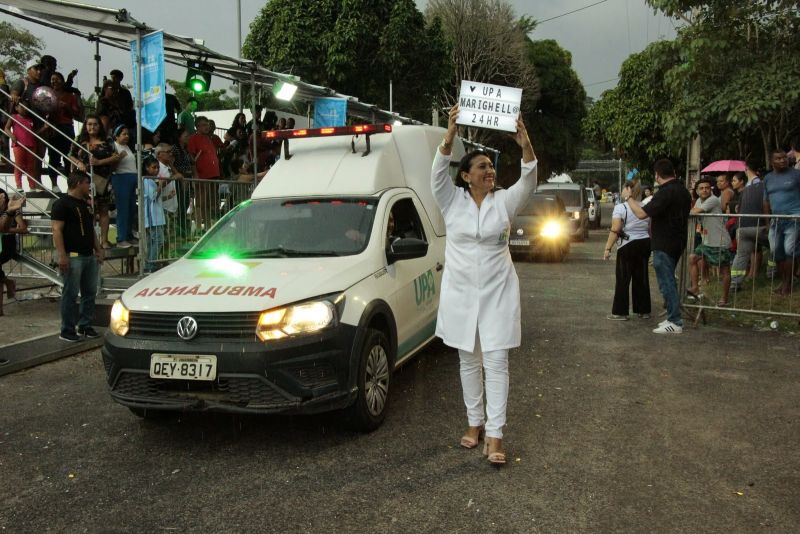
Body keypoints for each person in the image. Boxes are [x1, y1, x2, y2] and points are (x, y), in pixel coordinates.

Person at [431, 105, 537, 465]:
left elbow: (529, 180)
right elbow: (435, 177)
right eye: (482, 167)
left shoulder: (503, 203)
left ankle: (495, 435)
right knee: (467, 360)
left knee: (496, 361)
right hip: (461, 294)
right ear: (465, 176)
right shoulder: (451, 202)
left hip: (497, 292)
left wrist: (525, 144)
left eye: (491, 167)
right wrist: (449, 134)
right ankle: (474, 423)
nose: (490, 171)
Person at [626, 159, 692, 334]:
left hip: (664, 242)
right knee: (668, 280)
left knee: (666, 282)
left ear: (657, 175)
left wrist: (628, 198)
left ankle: (675, 321)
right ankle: (672, 317)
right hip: (678, 240)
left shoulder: (665, 192)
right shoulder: (683, 191)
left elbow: (641, 213)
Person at [51, 171, 103, 341]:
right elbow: (57, 230)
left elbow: (91, 230)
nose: (89, 186)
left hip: (88, 255)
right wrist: (62, 255)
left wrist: (98, 249)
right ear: (79, 183)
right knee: (71, 293)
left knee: (89, 292)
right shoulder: (61, 204)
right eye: (87, 183)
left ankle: (85, 325)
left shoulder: (86, 205)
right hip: (73, 255)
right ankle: (67, 329)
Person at [69, 114, 123, 249]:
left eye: (95, 124)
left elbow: (116, 157)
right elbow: (70, 155)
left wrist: (99, 162)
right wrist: (79, 162)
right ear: (85, 126)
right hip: (85, 181)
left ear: (100, 126)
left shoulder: (107, 140)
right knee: (88, 211)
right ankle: (91, 242)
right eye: (89, 124)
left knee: (104, 211)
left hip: (103, 180)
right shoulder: (79, 140)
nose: (92, 127)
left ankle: (104, 240)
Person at [604, 183, 651, 320]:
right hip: (644, 243)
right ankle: (643, 310)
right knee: (641, 278)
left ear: (626, 190)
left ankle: (620, 312)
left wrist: (608, 248)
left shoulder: (621, 207)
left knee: (623, 279)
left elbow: (616, 228)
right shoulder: (644, 206)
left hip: (627, 245)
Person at [687, 179, 733, 306]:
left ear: (711, 189)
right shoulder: (698, 201)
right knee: (692, 258)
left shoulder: (713, 200)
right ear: (697, 191)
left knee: (724, 271)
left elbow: (695, 212)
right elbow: (694, 211)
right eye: (701, 188)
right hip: (707, 241)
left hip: (720, 241)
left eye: (707, 188)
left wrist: (682, 212)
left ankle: (724, 298)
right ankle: (695, 287)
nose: (704, 190)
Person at [762, 150, 800, 296]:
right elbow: (765, 201)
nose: (783, 160)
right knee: (776, 251)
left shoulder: (796, 175)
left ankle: (787, 284)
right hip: (776, 220)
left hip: (794, 218)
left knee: (789, 250)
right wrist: (767, 221)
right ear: (772, 162)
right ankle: (784, 280)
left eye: (784, 157)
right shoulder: (768, 178)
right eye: (778, 158)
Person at [731, 171, 768, 290]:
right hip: (760, 225)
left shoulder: (746, 190)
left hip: (742, 227)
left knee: (741, 255)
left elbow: (739, 208)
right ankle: (773, 275)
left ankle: (734, 284)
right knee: (777, 246)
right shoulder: (767, 187)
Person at [46, 72, 80, 192]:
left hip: (66, 127)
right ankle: (54, 185)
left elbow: (76, 114)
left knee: (68, 157)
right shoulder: (48, 95)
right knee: (53, 157)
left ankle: (69, 185)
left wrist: (66, 107)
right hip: (53, 127)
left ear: (62, 80)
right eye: (52, 79)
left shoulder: (70, 96)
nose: (54, 82)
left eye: (57, 79)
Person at [187, 116, 221, 231]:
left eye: (207, 124)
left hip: (213, 175)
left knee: (209, 203)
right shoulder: (193, 139)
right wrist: (195, 174)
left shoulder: (208, 138)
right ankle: (197, 228)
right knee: (201, 203)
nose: (207, 127)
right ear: (197, 126)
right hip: (202, 176)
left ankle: (207, 227)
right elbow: (192, 158)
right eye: (204, 125)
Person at [4, 100, 47, 190]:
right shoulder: (13, 117)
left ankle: (32, 186)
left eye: (26, 107)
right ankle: (19, 185)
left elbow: (34, 133)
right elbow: (6, 128)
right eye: (22, 106)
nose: (24, 109)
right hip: (19, 145)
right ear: (16, 108)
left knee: (31, 167)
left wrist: (44, 128)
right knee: (19, 165)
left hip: (31, 145)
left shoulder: (30, 120)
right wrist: (12, 136)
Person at [0, 190, 28, 316]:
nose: (1, 200)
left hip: (7, 244)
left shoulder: (13, 211)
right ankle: (7, 282)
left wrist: (6, 230)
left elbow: (23, 228)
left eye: (2, 198)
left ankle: (7, 282)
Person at [110, 125, 137, 247]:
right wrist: (119, 158)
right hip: (121, 178)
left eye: (127, 134)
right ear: (116, 136)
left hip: (131, 178)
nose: (127, 136)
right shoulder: (114, 146)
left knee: (131, 208)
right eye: (123, 134)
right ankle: (121, 238)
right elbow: (112, 167)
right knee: (123, 208)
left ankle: (128, 235)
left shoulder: (127, 146)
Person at [142, 156, 166, 273]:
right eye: (153, 167)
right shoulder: (147, 181)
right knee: (158, 240)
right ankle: (150, 264)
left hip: (157, 216)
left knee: (156, 240)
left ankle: (151, 263)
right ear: (147, 168)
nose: (156, 170)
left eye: (157, 167)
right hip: (152, 217)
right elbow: (153, 196)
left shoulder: (150, 181)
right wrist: (160, 185)